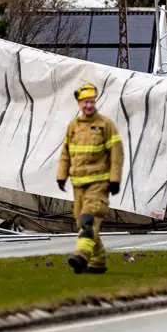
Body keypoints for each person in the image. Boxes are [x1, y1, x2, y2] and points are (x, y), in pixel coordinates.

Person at [56, 83, 124, 275]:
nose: (89, 105)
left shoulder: (106, 125)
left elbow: (117, 154)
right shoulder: (73, 126)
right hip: (78, 185)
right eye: (85, 102)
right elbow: (65, 153)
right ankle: (98, 261)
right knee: (85, 225)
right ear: (79, 104)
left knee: (88, 221)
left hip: (99, 184)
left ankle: (81, 256)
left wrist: (115, 179)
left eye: (92, 101)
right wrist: (61, 176)